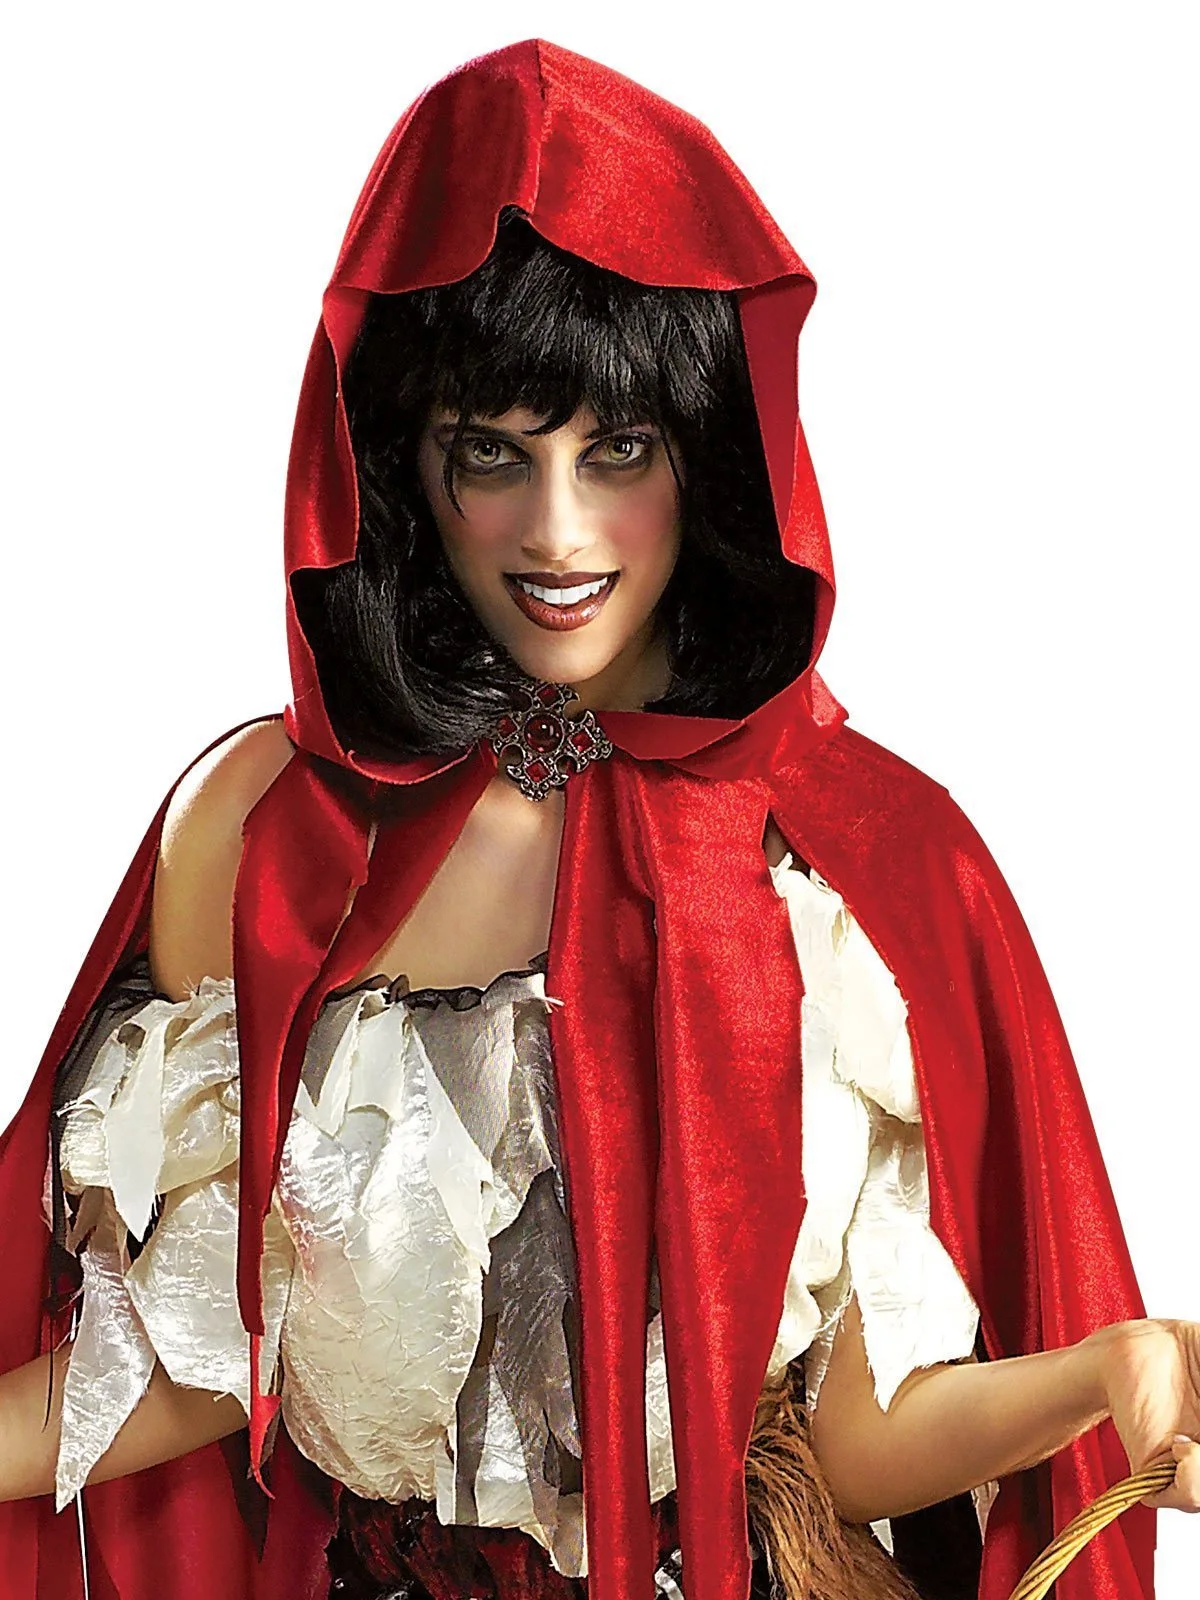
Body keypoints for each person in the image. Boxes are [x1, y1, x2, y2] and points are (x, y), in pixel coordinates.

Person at [0, 36, 1195, 1600]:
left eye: (616, 451)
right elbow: (211, 1362)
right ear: (399, 468)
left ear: (710, 454)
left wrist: (1107, 1372)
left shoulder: (856, 863)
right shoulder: (271, 836)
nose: (556, 533)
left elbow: (844, 1440)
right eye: (491, 456)